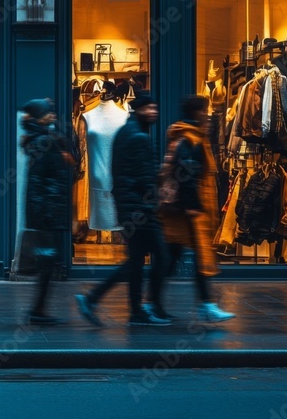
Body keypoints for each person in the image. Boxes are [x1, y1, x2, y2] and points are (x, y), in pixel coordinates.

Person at [75, 91, 170, 327]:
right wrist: (151, 204)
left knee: (136, 261)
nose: (154, 112)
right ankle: (145, 306)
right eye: (149, 108)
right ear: (139, 110)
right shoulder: (137, 136)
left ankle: (132, 309)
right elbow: (142, 178)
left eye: (155, 107)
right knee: (161, 256)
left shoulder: (127, 132)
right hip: (140, 210)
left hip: (130, 207)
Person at [150, 95, 236, 323]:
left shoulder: (190, 136)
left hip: (182, 211)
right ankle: (205, 305)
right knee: (199, 256)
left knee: (173, 257)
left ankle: (154, 303)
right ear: (198, 112)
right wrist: (193, 206)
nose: (207, 115)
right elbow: (186, 173)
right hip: (188, 211)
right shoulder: (190, 139)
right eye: (205, 110)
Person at [21, 98, 75, 325]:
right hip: (48, 211)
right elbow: (43, 182)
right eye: (49, 113)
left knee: (47, 262)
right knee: (47, 262)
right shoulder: (44, 141)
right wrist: (52, 213)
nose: (53, 116)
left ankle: (38, 308)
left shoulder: (42, 139)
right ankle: (37, 310)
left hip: (45, 210)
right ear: (40, 117)